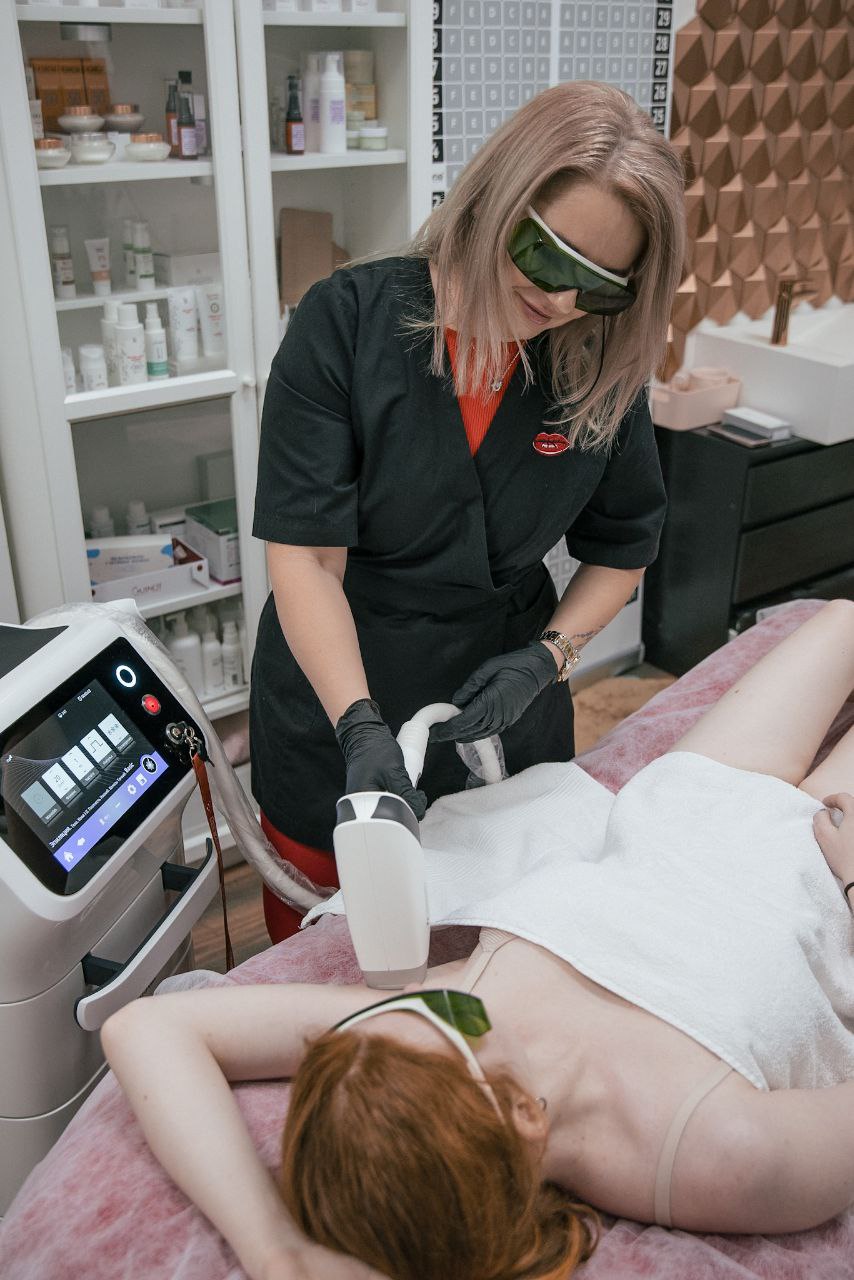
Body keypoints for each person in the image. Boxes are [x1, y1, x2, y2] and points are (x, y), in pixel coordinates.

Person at [104, 600, 854, 1280]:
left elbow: (148, 1025)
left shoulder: (431, 1033)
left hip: (698, 797)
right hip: (825, 881)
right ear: (525, 1116)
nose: (396, 1001)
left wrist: (273, 1247)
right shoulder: (722, 1154)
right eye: (419, 1019)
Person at [250, 80, 686, 940]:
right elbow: (306, 560)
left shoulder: (593, 362)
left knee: (491, 945)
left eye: (599, 287)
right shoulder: (348, 323)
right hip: (337, 685)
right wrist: (360, 724)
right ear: (494, 198)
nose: (562, 303)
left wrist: (549, 657)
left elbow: (625, 543)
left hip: (503, 694)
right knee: (337, 951)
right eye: (548, 258)